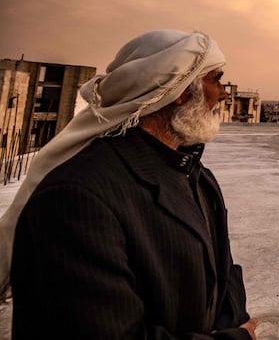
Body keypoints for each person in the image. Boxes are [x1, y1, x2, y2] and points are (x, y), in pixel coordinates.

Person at [0, 30, 257, 339]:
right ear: (179, 90)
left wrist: (232, 324)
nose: (223, 93)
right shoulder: (76, 198)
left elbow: (224, 274)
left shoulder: (195, 176)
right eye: (215, 80)